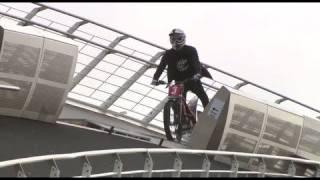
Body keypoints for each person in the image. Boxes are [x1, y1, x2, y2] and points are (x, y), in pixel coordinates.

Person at [151, 28, 212, 109]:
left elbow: (196, 63)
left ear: (183, 38)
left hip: (192, 79)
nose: (175, 41)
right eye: (173, 39)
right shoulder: (168, 54)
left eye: (178, 38)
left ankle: (208, 115)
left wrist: (197, 74)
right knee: (176, 103)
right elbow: (161, 66)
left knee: (203, 97)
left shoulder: (191, 50)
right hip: (178, 81)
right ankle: (179, 119)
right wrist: (155, 79)